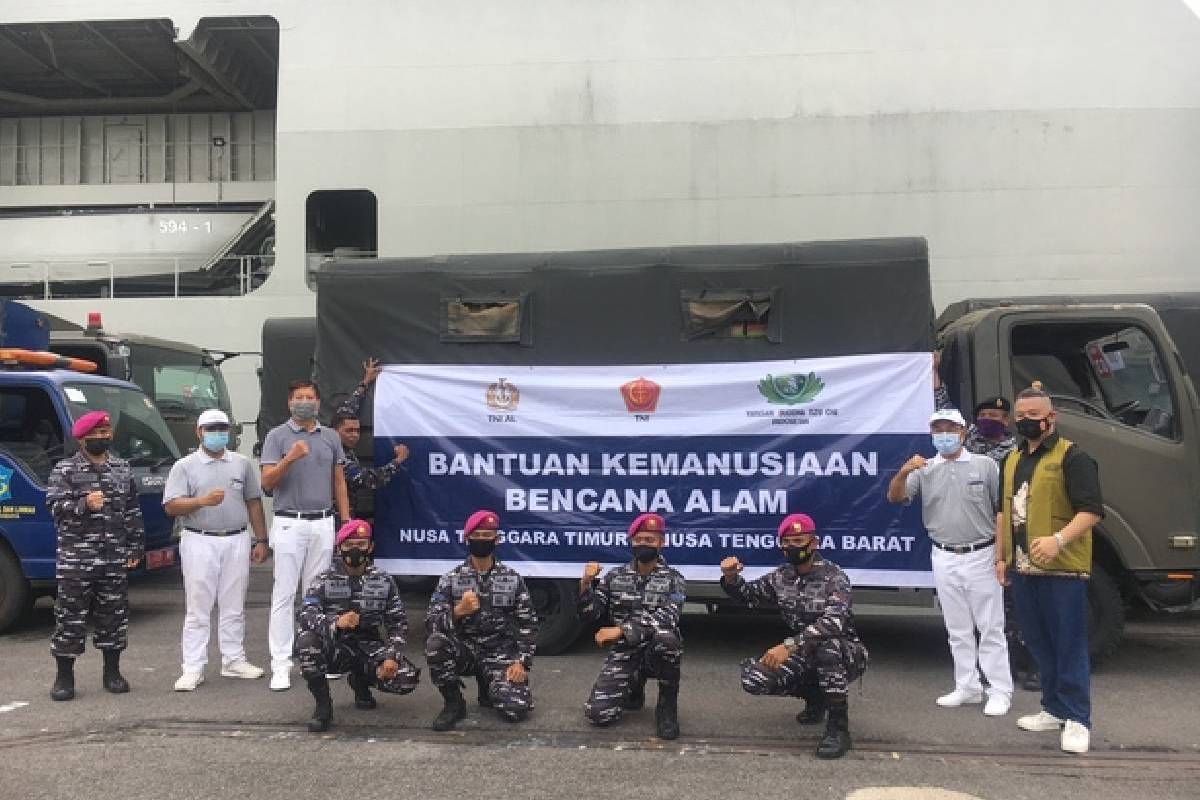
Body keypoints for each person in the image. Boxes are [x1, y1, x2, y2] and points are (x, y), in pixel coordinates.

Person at [997, 383, 1104, 754]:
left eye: (1034, 416)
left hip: (1062, 569)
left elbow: (1091, 511)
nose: (1026, 421)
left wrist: (1058, 539)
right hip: (1024, 568)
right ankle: (1053, 708)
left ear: (1051, 418)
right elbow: (1003, 512)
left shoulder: (1073, 457)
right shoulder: (1011, 459)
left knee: (1068, 644)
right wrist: (1001, 558)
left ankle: (1077, 718)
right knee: (1039, 643)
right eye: (1020, 416)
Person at [887, 408, 1012, 716]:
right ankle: (967, 686)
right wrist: (904, 471)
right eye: (937, 429)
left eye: (949, 429)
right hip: (943, 554)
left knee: (990, 627)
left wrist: (1001, 557)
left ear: (963, 432)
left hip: (982, 553)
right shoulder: (924, 468)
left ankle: (999, 690)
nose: (943, 435)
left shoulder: (986, 466)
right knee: (957, 628)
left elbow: (1001, 512)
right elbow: (895, 498)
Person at [720, 513, 868, 759]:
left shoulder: (835, 577)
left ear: (814, 543)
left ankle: (838, 727)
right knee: (754, 678)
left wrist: (790, 645)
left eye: (798, 541)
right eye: (786, 543)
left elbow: (833, 622)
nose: (791, 547)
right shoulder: (782, 576)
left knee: (827, 647)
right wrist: (731, 577)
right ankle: (815, 696)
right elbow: (748, 595)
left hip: (846, 653)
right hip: (803, 652)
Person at [935, 356, 1037, 689]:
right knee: (971, 619)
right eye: (983, 416)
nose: (988, 420)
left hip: (1007, 531)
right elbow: (943, 408)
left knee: (1015, 606)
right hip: (974, 535)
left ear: (1007, 420)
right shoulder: (970, 441)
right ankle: (974, 680)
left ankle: (1029, 664)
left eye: (995, 416)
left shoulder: (1017, 450)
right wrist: (935, 370)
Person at [163, 409, 270, 691]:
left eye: (222, 428)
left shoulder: (242, 464)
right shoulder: (184, 466)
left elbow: (254, 502)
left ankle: (233, 660)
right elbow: (172, 505)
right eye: (211, 428)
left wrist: (261, 539)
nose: (217, 433)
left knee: (234, 604)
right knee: (198, 607)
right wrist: (201, 501)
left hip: (236, 538)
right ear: (199, 432)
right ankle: (193, 667)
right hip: (199, 539)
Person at [45, 411, 144, 701]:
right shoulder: (64, 470)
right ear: (82, 439)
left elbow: (132, 511)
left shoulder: (122, 469)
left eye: (106, 432)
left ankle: (112, 673)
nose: (102, 437)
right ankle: (64, 677)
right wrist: (83, 503)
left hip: (113, 558)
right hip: (77, 560)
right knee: (70, 617)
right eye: (96, 434)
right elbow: (53, 507)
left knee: (114, 616)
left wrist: (135, 546)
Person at [260, 379, 351, 691]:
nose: (304, 402)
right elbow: (267, 482)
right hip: (289, 522)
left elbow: (339, 481)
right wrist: (290, 458)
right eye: (298, 397)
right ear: (289, 403)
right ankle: (281, 663)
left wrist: (347, 521)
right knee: (284, 594)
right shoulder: (277, 436)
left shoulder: (329, 437)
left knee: (317, 594)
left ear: (318, 402)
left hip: (323, 522)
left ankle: (317, 656)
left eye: (310, 397)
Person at [296, 519, 420, 732]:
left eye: (361, 544)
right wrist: (335, 622)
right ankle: (323, 706)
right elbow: (306, 613)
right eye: (349, 545)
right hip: (336, 647)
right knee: (307, 643)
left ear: (370, 547)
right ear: (339, 548)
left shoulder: (383, 580)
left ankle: (360, 681)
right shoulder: (324, 579)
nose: (355, 550)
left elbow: (398, 623)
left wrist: (392, 655)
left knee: (405, 678)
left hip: (369, 646)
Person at [425, 510, 538, 730]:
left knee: (516, 710)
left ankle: (490, 686)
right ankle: (454, 703)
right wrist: (458, 611)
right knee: (435, 644)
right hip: (466, 650)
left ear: (497, 540)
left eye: (488, 535)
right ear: (467, 538)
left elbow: (528, 624)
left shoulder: (512, 578)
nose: (483, 540)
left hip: (500, 652)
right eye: (478, 535)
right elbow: (431, 623)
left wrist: (520, 661)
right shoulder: (451, 579)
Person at [579, 513, 686, 740]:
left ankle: (667, 708)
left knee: (668, 641)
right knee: (598, 714)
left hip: (656, 649)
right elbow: (591, 613)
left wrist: (622, 629)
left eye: (650, 540)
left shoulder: (674, 579)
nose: (643, 544)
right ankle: (633, 690)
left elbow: (668, 616)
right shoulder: (615, 576)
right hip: (625, 651)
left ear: (661, 543)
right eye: (639, 540)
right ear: (631, 542)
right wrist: (585, 585)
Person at [332, 359, 410, 511]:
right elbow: (367, 479)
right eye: (349, 431)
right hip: (337, 516)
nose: (354, 435)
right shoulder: (336, 454)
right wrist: (398, 461)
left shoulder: (339, 439)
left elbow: (349, 408)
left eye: (357, 431)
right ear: (335, 431)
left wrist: (365, 382)